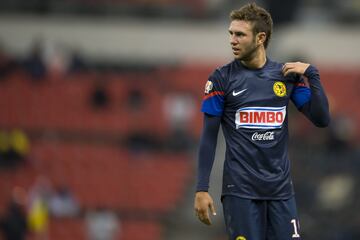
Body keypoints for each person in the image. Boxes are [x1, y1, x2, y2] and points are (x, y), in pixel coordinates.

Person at [193, 3, 330, 240]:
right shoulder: (221, 79)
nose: (233, 40)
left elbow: (321, 119)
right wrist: (201, 189)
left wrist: (313, 75)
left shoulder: (285, 77)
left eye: (240, 34)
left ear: (260, 38)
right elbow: (208, 137)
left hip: (281, 191)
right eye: (231, 34)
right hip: (240, 192)